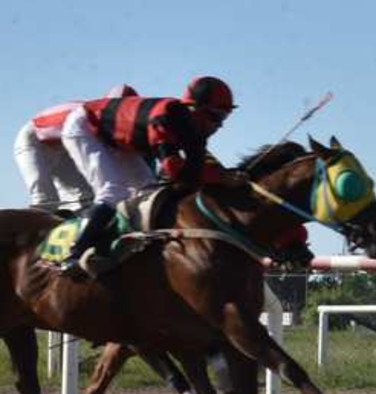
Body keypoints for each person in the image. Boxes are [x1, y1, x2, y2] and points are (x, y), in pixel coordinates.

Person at [56, 75, 245, 276]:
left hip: (114, 137)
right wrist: (221, 178)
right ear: (194, 109)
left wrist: (225, 176)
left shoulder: (194, 129)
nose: (219, 125)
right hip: (85, 127)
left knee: (149, 190)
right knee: (113, 190)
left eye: (224, 118)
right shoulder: (165, 118)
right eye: (215, 117)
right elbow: (174, 170)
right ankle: (74, 254)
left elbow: (194, 170)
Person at [12, 84, 139, 214]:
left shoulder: (102, 115)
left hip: (62, 143)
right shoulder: (95, 116)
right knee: (45, 200)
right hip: (32, 139)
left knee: (85, 197)